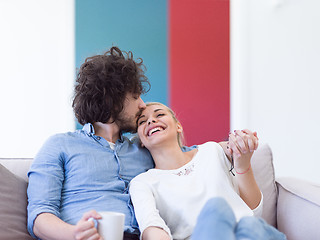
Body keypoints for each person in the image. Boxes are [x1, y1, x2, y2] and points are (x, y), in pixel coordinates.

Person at [27, 46, 155, 240]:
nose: (143, 105)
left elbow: (193, 157)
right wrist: (75, 234)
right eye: (135, 96)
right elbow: (39, 216)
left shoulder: (146, 148)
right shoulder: (60, 145)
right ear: (112, 99)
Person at [129, 102, 287, 240]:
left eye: (160, 114)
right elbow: (151, 225)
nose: (151, 120)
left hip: (252, 231)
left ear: (178, 126)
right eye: (143, 121)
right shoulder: (142, 183)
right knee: (216, 208)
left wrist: (242, 160)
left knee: (248, 223)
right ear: (141, 141)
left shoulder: (212, 151)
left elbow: (253, 211)